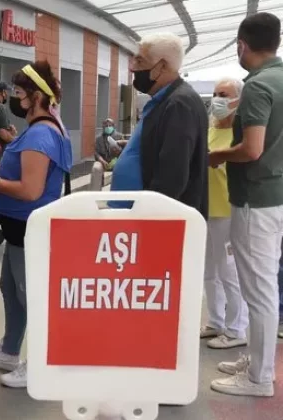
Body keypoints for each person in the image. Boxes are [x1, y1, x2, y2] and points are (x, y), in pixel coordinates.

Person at [0, 61, 72, 389]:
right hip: (20, 228)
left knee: (29, 295)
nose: (15, 100)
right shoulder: (43, 130)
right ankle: (9, 350)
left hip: (30, 226)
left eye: (19, 94)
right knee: (10, 288)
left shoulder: (41, 134)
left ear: (35, 96)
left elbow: (30, 189)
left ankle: (38, 363)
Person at [209, 12, 283, 398]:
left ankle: (259, 378)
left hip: (254, 199)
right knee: (264, 285)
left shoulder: (257, 86)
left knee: (259, 291)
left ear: (241, 44)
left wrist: (218, 157)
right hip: (275, 196)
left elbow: (251, 149)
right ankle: (257, 362)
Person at [111, 32, 209, 218]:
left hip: (154, 222)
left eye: (140, 62)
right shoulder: (164, 101)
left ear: (161, 66)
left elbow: (172, 176)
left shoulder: (179, 104)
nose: (132, 68)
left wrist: (149, 217)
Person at [200, 77, 249, 351]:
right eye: (216, 93)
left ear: (238, 100)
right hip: (206, 207)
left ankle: (236, 327)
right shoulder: (212, 128)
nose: (218, 99)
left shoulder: (240, 134)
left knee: (229, 270)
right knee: (209, 270)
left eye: (225, 94)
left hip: (227, 209)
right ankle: (216, 321)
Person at [89, 118, 124, 191]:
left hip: (117, 161)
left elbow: (124, 152)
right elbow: (96, 153)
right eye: (106, 126)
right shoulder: (98, 139)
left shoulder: (120, 136)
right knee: (96, 168)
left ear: (113, 126)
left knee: (123, 168)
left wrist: (116, 160)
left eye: (110, 125)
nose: (108, 127)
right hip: (103, 162)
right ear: (103, 127)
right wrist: (102, 161)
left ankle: (118, 191)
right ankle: (96, 192)